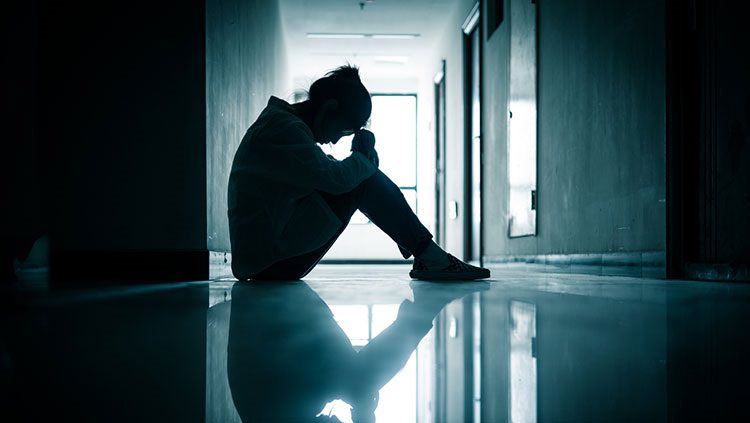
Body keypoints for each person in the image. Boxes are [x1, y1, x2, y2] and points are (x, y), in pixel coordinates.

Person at [227, 65, 490, 281]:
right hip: (267, 264)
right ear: (329, 109)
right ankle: (431, 257)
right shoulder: (284, 130)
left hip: (266, 259)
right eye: (343, 131)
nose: (335, 140)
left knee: (361, 176)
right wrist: (364, 161)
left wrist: (362, 164)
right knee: (362, 181)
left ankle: (424, 252)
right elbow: (335, 180)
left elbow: (323, 174)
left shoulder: (283, 127)